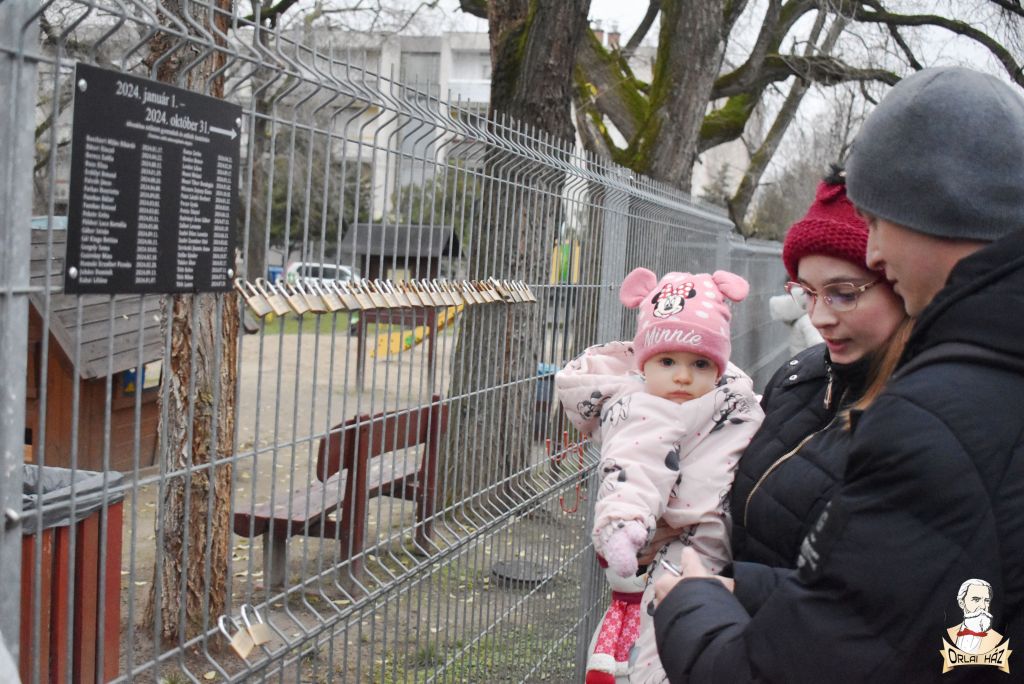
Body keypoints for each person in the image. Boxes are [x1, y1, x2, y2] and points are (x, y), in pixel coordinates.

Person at [653, 66, 1024, 683]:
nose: (820, 316)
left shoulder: (932, 414)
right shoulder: (800, 378)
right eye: (807, 293)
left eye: (847, 291)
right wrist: (723, 571)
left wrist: (693, 604)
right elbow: (880, 600)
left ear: (938, 210)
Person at [556, 267, 764, 683]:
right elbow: (631, 470)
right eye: (667, 361)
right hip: (681, 545)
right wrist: (624, 526)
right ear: (644, 364)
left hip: (732, 547)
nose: (683, 376)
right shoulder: (642, 409)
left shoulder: (733, 400)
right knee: (663, 643)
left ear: (719, 369)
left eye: (700, 363)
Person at [767, 285, 822, 356]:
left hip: (803, 360)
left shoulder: (804, 321)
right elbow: (818, 347)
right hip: (805, 360)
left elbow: (817, 345)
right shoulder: (805, 320)